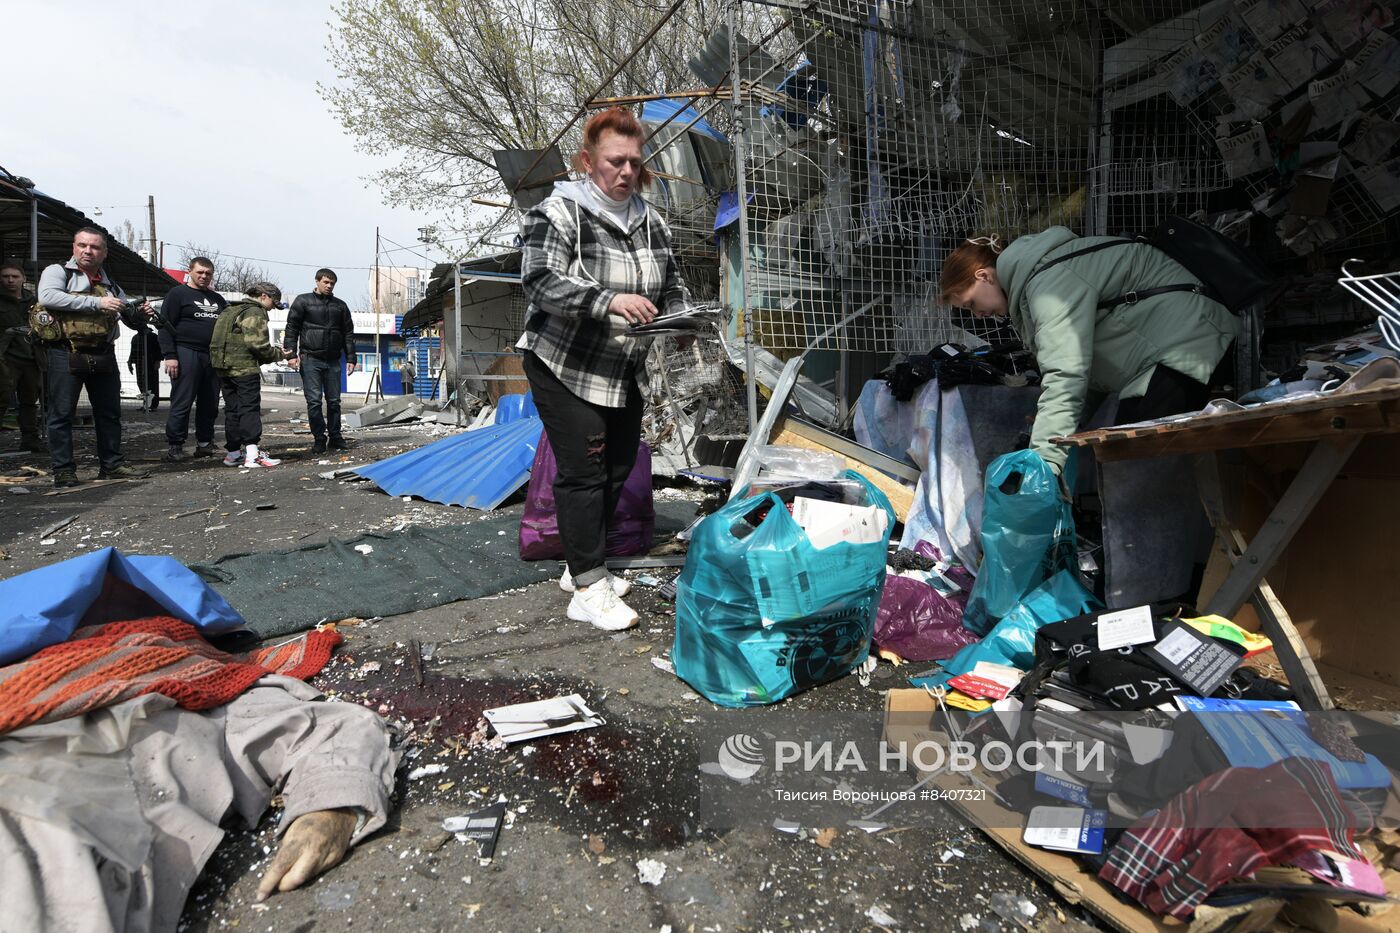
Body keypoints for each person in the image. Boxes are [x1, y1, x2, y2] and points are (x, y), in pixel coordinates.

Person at [517, 106, 688, 632]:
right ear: (588, 162)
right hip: (563, 362)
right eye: (615, 162)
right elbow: (539, 281)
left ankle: (579, 562)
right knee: (584, 470)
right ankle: (588, 584)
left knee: (617, 464)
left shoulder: (651, 220)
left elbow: (672, 285)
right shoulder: (560, 212)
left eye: (635, 162)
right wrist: (608, 300)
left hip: (620, 367)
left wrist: (685, 318)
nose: (627, 172)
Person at [939, 228, 1240, 475]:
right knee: (1132, 458)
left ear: (984, 276)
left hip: (1189, 342)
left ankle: (1160, 545)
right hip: (1180, 344)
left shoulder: (1047, 283)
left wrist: (1043, 463)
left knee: (1137, 464)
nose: (976, 315)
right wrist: (1074, 421)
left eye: (970, 304)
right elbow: (1088, 366)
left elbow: (1066, 372)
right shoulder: (1040, 277)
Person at [36, 227, 153, 488]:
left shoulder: (109, 283)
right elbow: (48, 296)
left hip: (103, 353)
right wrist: (97, 304)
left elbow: (127, 316)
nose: (88, 251)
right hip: (66, 352)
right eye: (82, 245)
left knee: (109, 413)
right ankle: (64, 471)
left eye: (95, 247)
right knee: (61, 414)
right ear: (74, 248)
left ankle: (112, 466)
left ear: (104, 252)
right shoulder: (58, 272)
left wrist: (140, 313)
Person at [210, 282, 292, 468]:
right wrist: (280, 354)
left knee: (232, 410)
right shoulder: (254, 312)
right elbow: (257, 345)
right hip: (244, 370)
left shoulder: (230, 310)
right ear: (264, 296)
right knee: (249, 409)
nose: (272, 309)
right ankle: (253, 455)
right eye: (273, 303)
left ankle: (233, 454)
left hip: (224, 368)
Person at [159, 257, 227, 461]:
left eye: (208, 273)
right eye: (200, 272)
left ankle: (205, 443)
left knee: (210, 402)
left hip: (212, 356)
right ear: (190, 271)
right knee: (183, 401)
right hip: (185, 352)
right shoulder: (177, 294)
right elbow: (164, 325)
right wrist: (170, 356)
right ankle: (175, 446)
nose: (204, 276)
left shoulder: (217, 299)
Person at [283, 268, 356, 454]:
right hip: (310, 359)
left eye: (332, 283)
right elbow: (292, 328)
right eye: (326, 282)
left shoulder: (340, 306)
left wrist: (351, 358)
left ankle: (336, 437)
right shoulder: (303, 301)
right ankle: (319, 438)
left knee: (334, 402)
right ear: (317, 281)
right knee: (314, 401)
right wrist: (291, 355)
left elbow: (348, 333)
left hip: (333, 361)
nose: (329, 286)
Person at [0, 261, 44, 452]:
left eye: (15, 276)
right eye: (5, 276)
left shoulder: (34, 302)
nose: (10, 280)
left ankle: (30, 439)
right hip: (6, 359)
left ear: (24, 279)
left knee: (29, 402)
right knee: (1, 399)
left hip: (31, 359)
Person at [127, 325, 162, 411]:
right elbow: (133, 351)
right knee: (141, 383)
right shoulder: (135, 337)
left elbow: (158, 349)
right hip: (139, 363)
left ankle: (152, 405)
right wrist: (130, 362)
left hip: (151, 363)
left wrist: (157, 361)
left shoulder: (153, 336)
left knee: (151, 384)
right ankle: (146, 404)